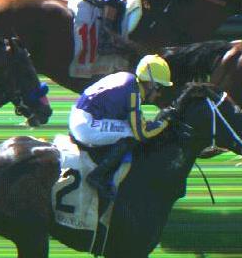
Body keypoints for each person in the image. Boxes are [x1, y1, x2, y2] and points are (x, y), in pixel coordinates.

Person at [68, 54, 174, 202]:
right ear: (151, 84)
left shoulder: (129, 80)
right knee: (130, 133)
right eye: (159, 88)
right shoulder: (133, 92)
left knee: (126, 127)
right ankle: (98, 176)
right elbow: (141, 133)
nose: (159, 94)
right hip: (85, 123)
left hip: (82, 116)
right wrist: (164, 122)